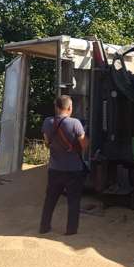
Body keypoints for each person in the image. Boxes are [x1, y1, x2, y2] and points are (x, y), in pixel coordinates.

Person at [40, 95, 88, 235]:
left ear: (56, 107)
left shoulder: (48, 122)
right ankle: (71, 230)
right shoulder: (75, 123)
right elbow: (84, 145)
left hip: (55, 169)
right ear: (70, 108)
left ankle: (44, 227)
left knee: (50, 200)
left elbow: (47, 142)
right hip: (74, 170)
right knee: (73, 201)